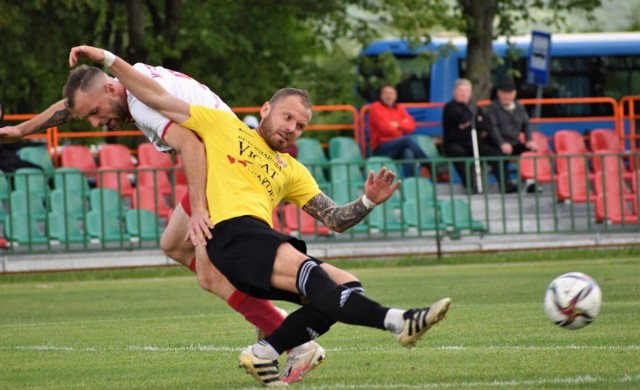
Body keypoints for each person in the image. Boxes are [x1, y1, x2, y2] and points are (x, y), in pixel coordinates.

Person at [71, 46, 452, 387]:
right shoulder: (222, 126)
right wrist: (107, 59)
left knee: (347, 285)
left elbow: (334, 219)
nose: (291, 129)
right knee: (317, 280)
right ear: (265, 110)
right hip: (233, 237)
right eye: (287, 117)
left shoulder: (292, 170)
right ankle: (399, 321)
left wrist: (367, 202)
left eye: (300, 126)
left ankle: (266, 352)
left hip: (256, 247)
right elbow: (151, 93)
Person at [0, 61, 325, 383]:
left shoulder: (142, 105)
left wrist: (199, 210)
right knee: (173, 244)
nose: (98, 123)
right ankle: (276, 323)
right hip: (229, 158)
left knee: (210, 274)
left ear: (111, 88)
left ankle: (295, 339)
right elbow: (75, 103)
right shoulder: (130, 80)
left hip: (222, 164)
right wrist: (20, 130)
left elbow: (192, 145)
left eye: (96, 113)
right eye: (91, 117)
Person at [442, 79, 517, 194]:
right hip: (455, 143)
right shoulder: (450, 107)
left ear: (471, 93)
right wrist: (475, 120)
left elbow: (486, 124)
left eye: (466, 91)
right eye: (461, 91)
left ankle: (505, 183)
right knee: (458, 153)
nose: (464, 94)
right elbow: (464, 117)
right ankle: (470, 184)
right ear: (454, 92)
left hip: (474, 143)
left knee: (495, 153)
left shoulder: (474, 107)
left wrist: (471, 122)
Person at [485, 78, 541, 193]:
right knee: (498, 155)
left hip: (514, 142)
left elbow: (526, 123)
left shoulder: (519, 107)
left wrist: (529, 139)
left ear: (514, 94)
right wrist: (501, 143)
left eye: (509, 93)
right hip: (496, 144)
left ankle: (531, 182)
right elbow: (493, 128)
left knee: (530, 151)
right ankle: (506, 184)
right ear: (498, 93)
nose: (506, 96)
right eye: (504, 93)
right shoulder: (492, 108)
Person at [368, 85, 427, 177]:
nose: (389, 96)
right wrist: (401, 127)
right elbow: (385, 129)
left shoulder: (399, 108)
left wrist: (397, 125)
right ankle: (428, 164)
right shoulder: (375, 107)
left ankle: (411, 183)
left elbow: (411, 126)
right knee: (407, 140)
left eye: (391, 94)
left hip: (398, 146)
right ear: (381, 96)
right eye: (386, 94)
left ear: (395, 96)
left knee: (408, 152)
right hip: (381, 148)